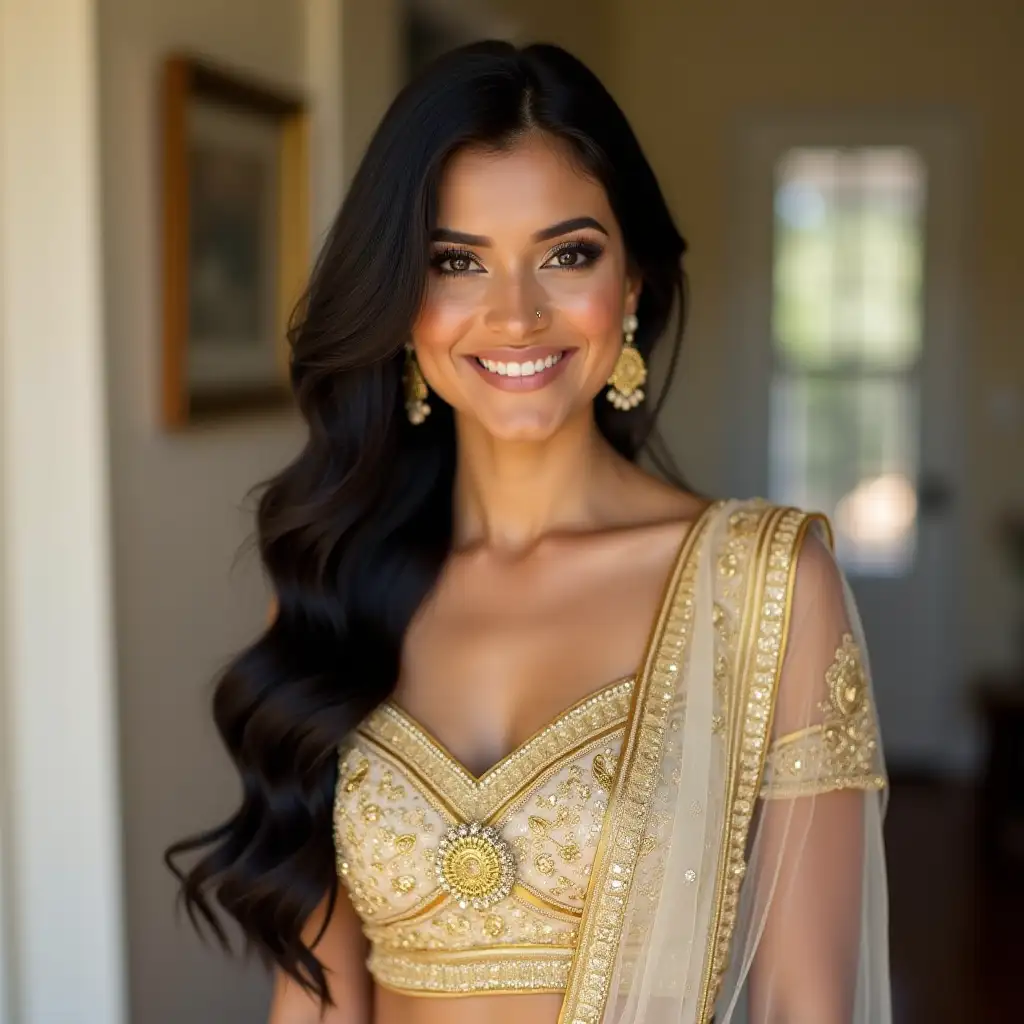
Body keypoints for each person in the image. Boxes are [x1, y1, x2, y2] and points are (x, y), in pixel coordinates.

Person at [165, 40, 891, 1024]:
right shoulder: (333, 582)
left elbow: (808, 1003)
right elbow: (318, 996)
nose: (515, 314)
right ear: (401, 302)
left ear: (630, 282)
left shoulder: (765, 585)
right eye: (455, 261)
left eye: (567, 254)